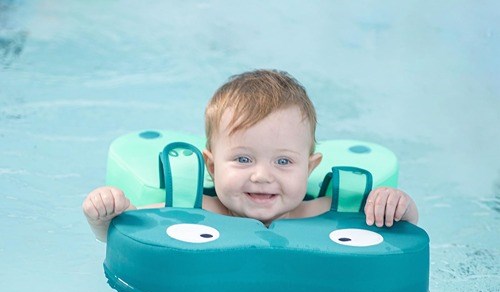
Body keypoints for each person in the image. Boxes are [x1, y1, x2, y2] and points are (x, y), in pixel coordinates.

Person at [83, 69, 418, 242]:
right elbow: (127, 230)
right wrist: (105, 215)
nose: (262, 176)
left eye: (283, 161)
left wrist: (395, 204)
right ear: (211, 166)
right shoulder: (194, 209)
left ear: (309, 167)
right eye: (243, 159)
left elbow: (400, 227)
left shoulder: (321, 212)